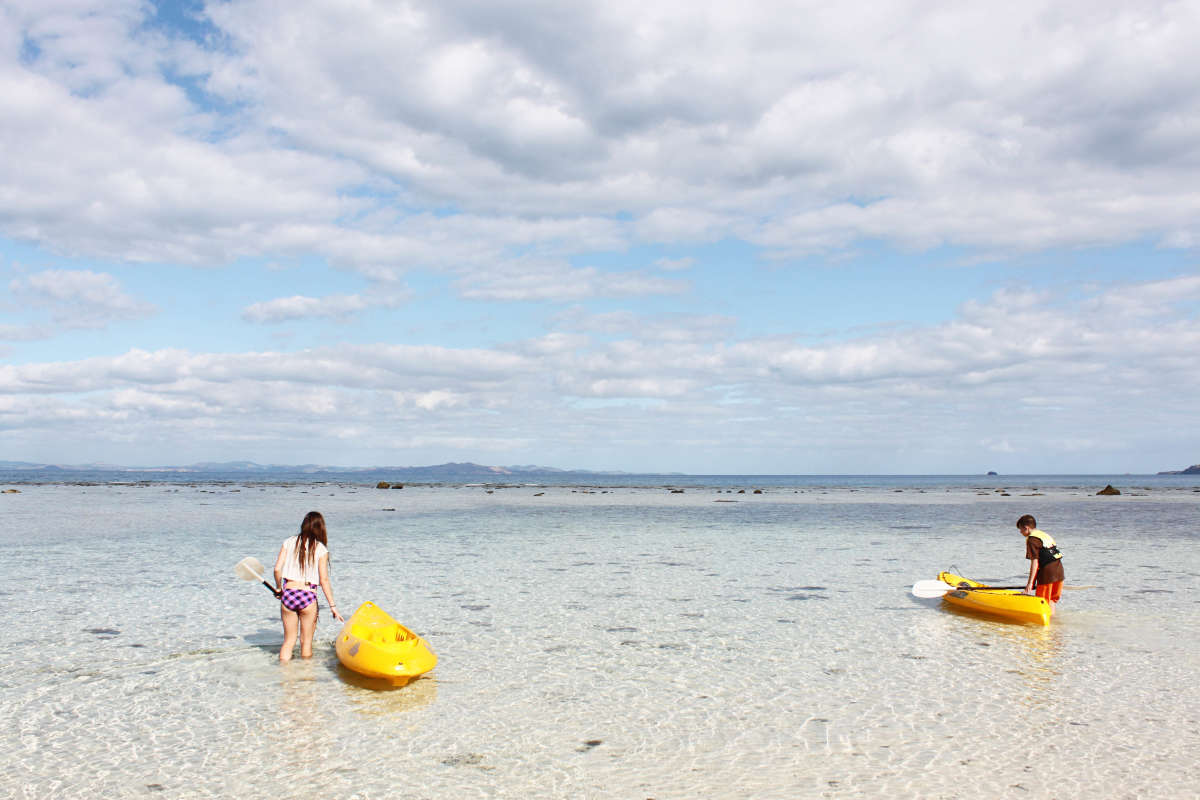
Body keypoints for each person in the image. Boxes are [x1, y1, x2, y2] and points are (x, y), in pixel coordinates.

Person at [273, 511, 344, 662]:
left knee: (288, 642)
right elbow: (324, 579)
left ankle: (284, 678)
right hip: (308, 594)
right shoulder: (321, 549)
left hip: (289, 593)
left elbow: (277, 569)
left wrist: (279, 589)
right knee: (306, 643)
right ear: (320, 528)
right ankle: (306, 679)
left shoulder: (288, 542)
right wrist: (333, 606)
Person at [1016, 514, 1064, 606]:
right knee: (1051, 600)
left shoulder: (1032, 540)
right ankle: (1052, 620)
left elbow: (1035, 562)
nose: (1020, 532)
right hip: (1059, 572)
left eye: (1020, 529)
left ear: (1026, 528)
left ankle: (1041, 620)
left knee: (1042, 602)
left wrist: (1030, 584)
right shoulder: (1044, 535)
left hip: (1047, 574)